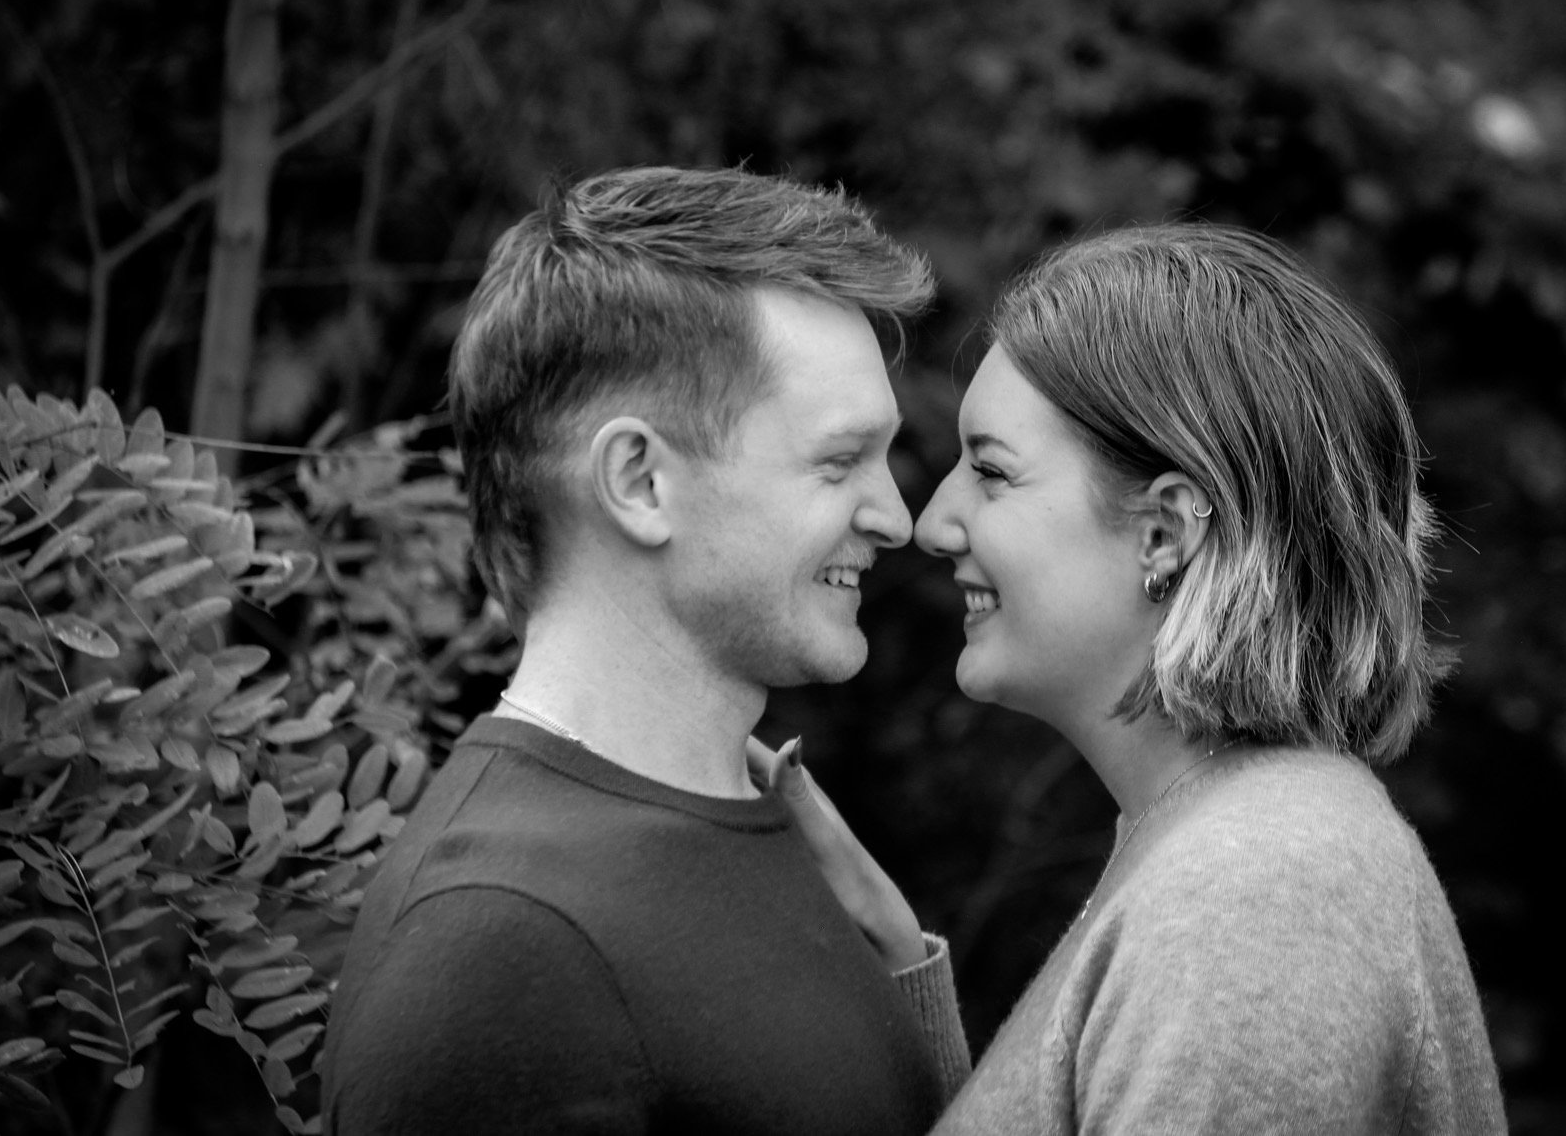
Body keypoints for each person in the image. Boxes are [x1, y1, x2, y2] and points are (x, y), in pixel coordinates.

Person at [320, 166, 970, 1135]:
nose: (895, 516)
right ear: (639, 482)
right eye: (838, 462)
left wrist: (906, 974)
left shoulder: (760, 825)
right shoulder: (504, 946)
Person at [911, 223, 1506, 1133]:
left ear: (1166, 533)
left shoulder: (1258, 888)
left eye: (990, 472)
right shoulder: (1221, 844)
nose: (932, 522)